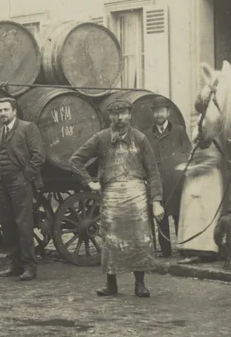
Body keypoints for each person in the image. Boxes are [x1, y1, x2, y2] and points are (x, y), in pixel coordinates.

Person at [70, 100, 165, 297]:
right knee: (111, 240)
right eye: (115, 114)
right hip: (111, 195)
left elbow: (153, 171)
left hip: (136, 195)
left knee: (140, 240)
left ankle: (140, 284)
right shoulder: (101, 138)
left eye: (123, 114)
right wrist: (90, 182)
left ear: (130, 115)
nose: (119, 118)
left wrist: (156, 202)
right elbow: (76, 160)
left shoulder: (140, 138)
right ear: (110, 117)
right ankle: (111, 284)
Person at [0, 96, 46, 281]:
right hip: (3, 182)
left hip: (20, 181)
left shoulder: (27, 127)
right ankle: (14, 264)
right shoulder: (2, 131)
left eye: (6, 110)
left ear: (14, 111)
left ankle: (29, 266)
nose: (2, 114)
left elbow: (39, 156)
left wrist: (26, 176)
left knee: (23, 224)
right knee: (7, 224)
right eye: (0, 111)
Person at [145, 98, 192, 257]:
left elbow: (188, 152)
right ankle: (166, 252)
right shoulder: (147, 135)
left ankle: (184, 250)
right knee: (160, 218)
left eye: (162, 111)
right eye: (156, 111)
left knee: (180, 217)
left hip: (177, 183)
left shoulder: (178, 131)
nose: (159, 114)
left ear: (168, 113)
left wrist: (181, 166)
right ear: (153, 114)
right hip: (158, 185)